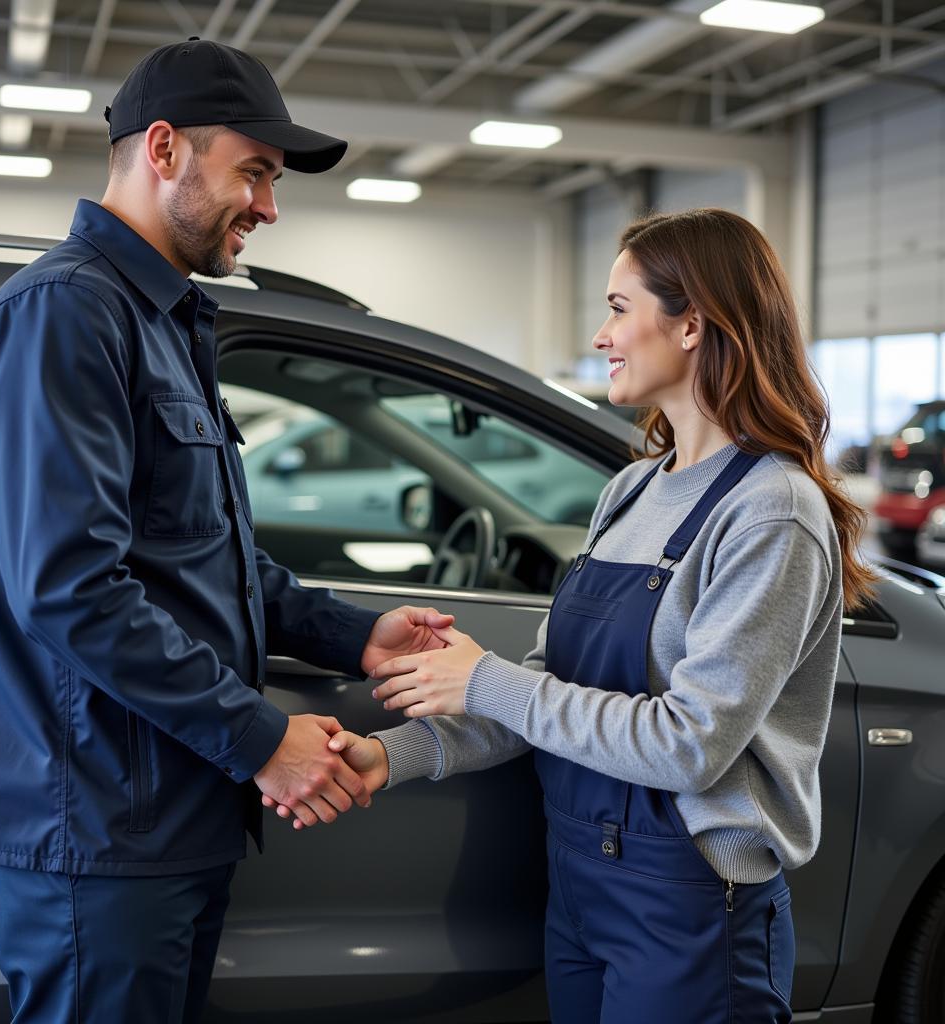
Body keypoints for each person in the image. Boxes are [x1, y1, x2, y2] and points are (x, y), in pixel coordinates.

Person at [0, 38, 454, 1024]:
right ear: (165, 148)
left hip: (166, 820)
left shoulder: (165, 320)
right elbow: (71, 587)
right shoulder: (66, 317)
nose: (268, 205)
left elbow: (203, 561)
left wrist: (354, 634)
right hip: (97, 830)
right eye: (255, 171)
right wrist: (260, 737)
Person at [269, 209, 879, 1022]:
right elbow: (546, 696)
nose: (601, 335)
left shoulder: (772, 513)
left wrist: (483, 681)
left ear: (692, 323)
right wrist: (393, 755)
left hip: (687, 902)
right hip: (583, 882)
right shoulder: (631, 490)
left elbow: (691, 744)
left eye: (619, 308)